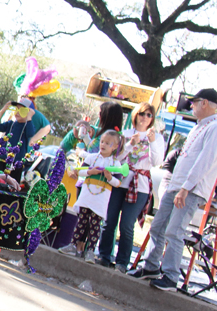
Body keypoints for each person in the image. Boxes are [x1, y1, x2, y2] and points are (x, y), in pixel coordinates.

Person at [132, 89, 217, 290]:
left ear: (204, 103)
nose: (191, 106)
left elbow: (204, 162)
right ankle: (150, 266)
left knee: (174, 230)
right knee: (158, 226)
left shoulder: (214, 127)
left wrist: (186, 188)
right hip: (177, 185)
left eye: (194, 103)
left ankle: (170, 275)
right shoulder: (200, 127)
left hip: (191, 189)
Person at [95, 102, 165, 272]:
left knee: (126, 224)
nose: (145, 118)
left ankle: (122, 262)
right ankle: (103, 255)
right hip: (120, 181)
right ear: (135, 115)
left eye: (149, 115)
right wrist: (129, 145)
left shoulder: (157, 138)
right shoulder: (125, 134)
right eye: (142, 114)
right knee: (109, 219)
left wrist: (153, 141)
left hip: (139, 186)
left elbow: (157, 163)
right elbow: (116, 158)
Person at [58, 130, 125, 261]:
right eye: (102, 142)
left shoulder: (116, 164)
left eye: (108, 143)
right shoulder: (91, 157)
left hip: (101, 199)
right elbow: (80, 172)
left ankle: (90, 251)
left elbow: (117, 183)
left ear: (115, 147)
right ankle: (73, 245)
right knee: (81, 221)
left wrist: (109, 177)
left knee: (95, 225)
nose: (103, 145)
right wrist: (90, 172)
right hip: (87, 196)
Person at [0, 97, 37, 167]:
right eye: (16, 109)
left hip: (16, 164)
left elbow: (30, 133)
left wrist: (29, 118)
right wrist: (2, 111)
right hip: (2, 160)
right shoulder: (10, 124)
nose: (17, 112)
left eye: (22, 110)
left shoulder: (27, 126)